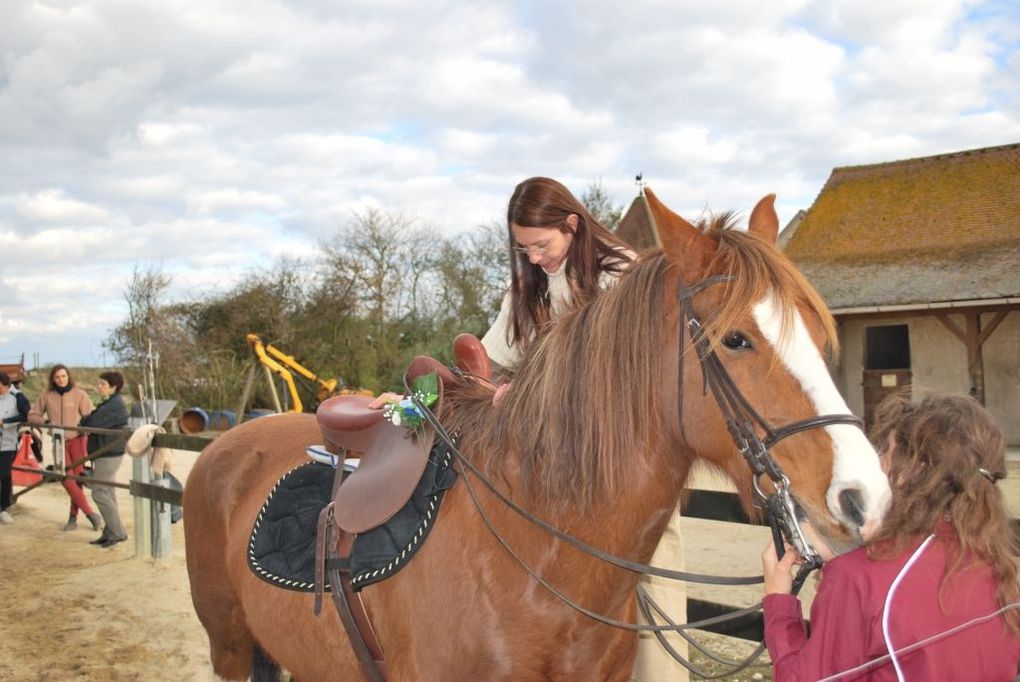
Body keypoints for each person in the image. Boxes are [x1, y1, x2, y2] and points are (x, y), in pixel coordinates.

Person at [761, 392, 1020, 680]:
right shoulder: (998, 570)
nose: (880, 463)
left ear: (913, 471)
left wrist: (778, 603)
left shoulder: (859, 578)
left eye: (886, 452)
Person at [27, 364, 103, 532]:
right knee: (65, 478)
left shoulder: (80, 394)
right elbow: (32, 415)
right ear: (53, 379)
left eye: (63, 376)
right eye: (57, 377)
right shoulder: (46, 396)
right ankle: (91, 514)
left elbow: (90, 416)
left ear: (68, 376)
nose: (61, 379)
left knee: (76, 480)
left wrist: (85, 430)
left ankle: (73, 517)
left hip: (78, 441)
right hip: (58, 442)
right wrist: (46, 422)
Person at [80, 371, 129, 547]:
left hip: (109, 454)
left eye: (102, 384)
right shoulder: (110, 403)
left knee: (99, 492)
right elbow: (90, 421)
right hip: (106, 452)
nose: (98, 387)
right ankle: (110, 531)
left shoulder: (114, 405)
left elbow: (91, 423)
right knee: (108, 492)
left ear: (113, 387)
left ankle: (118, 532)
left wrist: (86, 419)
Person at [0, 371, 31, 524]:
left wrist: (4, 422)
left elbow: (26, 416)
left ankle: (4, 507)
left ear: (3, 383)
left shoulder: (18, 397)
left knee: (4, 475)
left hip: (8, 443)